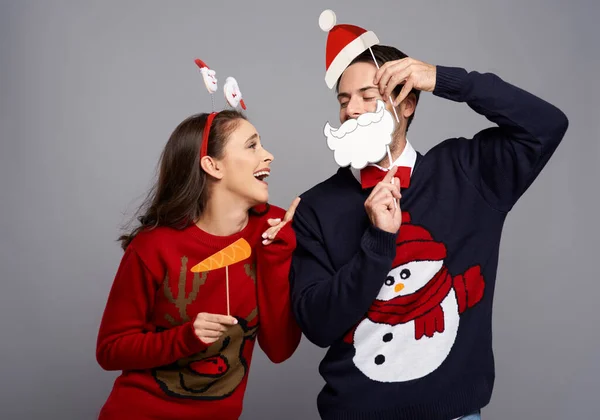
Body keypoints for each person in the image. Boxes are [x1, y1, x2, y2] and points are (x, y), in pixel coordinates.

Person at [290, 28, 569, 420]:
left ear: (407, 103)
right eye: (344, 100)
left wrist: (444, 79)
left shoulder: (467, 172)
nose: (351, 110)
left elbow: (546, 125)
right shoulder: (315, 206)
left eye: (368, 97)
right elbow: (317, 325)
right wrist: (378, 244)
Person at [96, 109, 302, 420]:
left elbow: (280, 350)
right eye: (252, 146)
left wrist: (277, 258)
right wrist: (186, 338)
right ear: (212, 165)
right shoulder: (153, 247)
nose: (268, 155)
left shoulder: (271, 230)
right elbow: (110, 350)